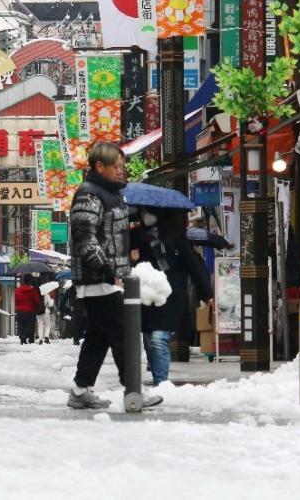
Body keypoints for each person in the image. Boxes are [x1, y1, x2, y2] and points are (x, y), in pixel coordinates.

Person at [67, 142, 160, 409]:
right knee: (123, 333)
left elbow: (110, 232)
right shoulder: (89, 194)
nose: (122, 171)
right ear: (100, 166)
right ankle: (133, 388)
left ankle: (80, 389)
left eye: (123, 166)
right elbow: (85, 238)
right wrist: (108, 270)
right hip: (99, 279)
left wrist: (138, 228)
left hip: (110, 278)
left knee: (98, 337)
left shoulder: (112, 194)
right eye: (117, 166)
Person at [139, 209, 213, 386]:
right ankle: (158, 373)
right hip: (148, 293)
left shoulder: (177, 237)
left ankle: (161, 382)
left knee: (159, 337)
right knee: (150, 336)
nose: (145, 216)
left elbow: (192, 265)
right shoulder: (139, 237)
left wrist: (206, 294)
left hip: (171, 293)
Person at [14, 274, 40, 345]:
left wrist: (17, 307)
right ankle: (26, 337)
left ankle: (22, 340)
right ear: (30, 281)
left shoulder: (17, 290)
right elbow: (37, 301)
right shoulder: (33, 290)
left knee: (21, 326)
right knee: (30, 327)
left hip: (20, 311)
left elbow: (16, 300)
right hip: (30, 311)